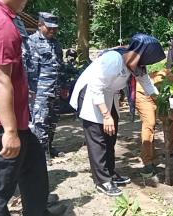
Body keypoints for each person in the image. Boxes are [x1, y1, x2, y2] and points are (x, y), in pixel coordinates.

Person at [0, 0, 66, 216]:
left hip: (16, 116)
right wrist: (10, 131)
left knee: (33, 162)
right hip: (0, 122)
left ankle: (38, 215)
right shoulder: (0, 23)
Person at [70, 33, 165, 196]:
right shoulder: (113, 59)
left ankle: (110, 172)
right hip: (91, 95)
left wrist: (162, 101)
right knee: (98, 138)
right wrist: (106, 116)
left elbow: (146, 83)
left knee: (110, 136)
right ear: (139, 53)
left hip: (109, 95)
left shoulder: (136, 63)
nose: (145, 64)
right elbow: (95, 86)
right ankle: (102, 181)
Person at [28, 12, 65, 158]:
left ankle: (49, 146)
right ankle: (41, 153)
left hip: (54, 88)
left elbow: (60, 66)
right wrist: (31, 90)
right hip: (39, 90)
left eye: (55, 28)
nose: (52, 31)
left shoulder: (56, 43)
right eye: (49, 28)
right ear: (40, 25)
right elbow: (30, 68)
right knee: (40, 121)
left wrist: (63, 85)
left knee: (53, 120)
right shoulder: (31, 42)